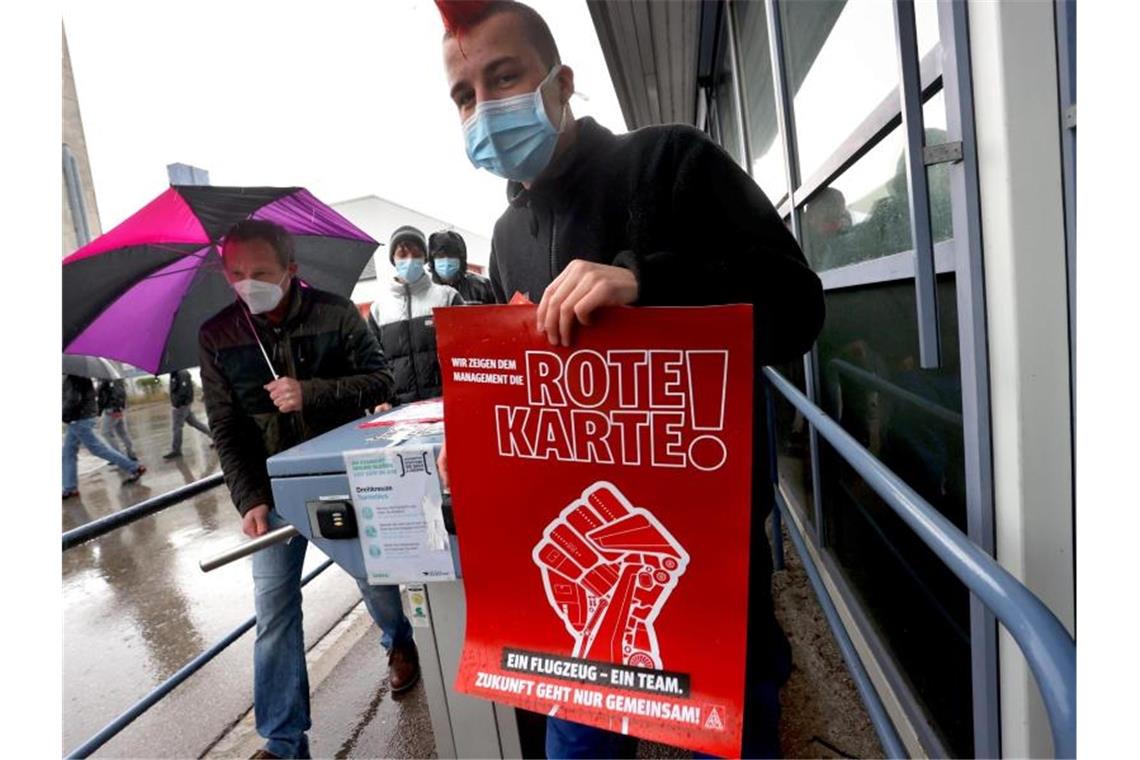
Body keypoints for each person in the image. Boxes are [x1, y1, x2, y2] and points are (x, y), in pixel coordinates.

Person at [435, 2, 825, 757]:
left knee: (738, 730)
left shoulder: (670, 160)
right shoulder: (509, 235)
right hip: (575, 602)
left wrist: (645, 282)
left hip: (705, 566)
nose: (485, 107)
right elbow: (529, 395)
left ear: (562, 81)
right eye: (464, 94)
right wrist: (477, 446)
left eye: (504, 75)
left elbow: (797, 306)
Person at [198, 219, 419, 760]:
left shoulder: (336, 312)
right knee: (274, 608)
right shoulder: (217, 335)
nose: (249, 283)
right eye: (237, 274)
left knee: (374, 581)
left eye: (262, 273)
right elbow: (225, 426)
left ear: (291, 270)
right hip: (271, 492)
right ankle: (283, 738)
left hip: (341, 479)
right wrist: (248, 497)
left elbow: (380, 380)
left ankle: (400, 642)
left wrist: (311, 393)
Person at [367, 225, 463, 406]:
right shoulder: (379, 309)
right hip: (399, 412)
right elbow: (373, 365)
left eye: (416, 254)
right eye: (402, 254)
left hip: (446, 405)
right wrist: (380, 401)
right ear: (393, 259)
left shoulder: (447, 297)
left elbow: (466, 352)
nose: (410, 260)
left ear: (425, 258)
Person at [63, 374, 146, 499]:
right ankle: (70, 487)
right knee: (68, 453)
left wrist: (63, 414)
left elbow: (73, 399)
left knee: (99, 448)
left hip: (79, 419)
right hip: (80, 418)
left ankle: (134, 467)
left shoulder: (74, 378)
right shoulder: (80, 376)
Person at [428, 229, 496, 304]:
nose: (446, 261)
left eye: (452, 255)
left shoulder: (482, 286)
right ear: (432, 260)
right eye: (440, 256)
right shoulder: (422, 290)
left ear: (462, 259)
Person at [163, 369, 213, 459]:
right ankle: (215, 437)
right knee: (194, 423)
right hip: (181, 405)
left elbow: (184, 390)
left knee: (177, 427)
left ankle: (176, 450)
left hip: (181, 405)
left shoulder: (182, 373)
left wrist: (178, 404)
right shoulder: (174, 373)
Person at [97, 378, 137, 461]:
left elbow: (117, 394)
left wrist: (116, 409)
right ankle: (130, 453)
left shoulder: (108, 379)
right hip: (115, 408)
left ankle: (118, 455)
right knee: (122, 432)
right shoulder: (114, 378)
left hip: (112, 409)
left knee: (106, 432)